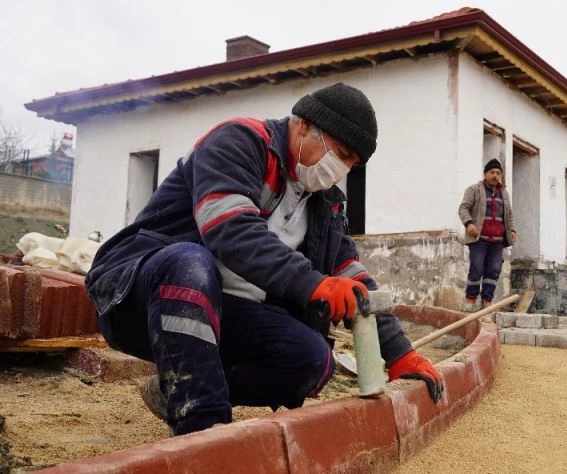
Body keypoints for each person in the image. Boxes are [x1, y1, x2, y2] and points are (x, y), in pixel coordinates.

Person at [85, 83, 443, 436]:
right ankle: (205, 428)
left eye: (352, 163)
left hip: (224, 312)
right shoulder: (239, 141)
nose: (342, 169)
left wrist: (399, 353)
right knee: (190, 263)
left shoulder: (326, 203)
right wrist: (313, 284)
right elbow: (231, 231)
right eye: (341, 153)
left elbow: (353, 278)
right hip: (139, 295)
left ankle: (175, 391)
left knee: (312, 361)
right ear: (304, 126)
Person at [457, 158, 517, 312]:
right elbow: (463, 208)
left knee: (493, 271)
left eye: (498, 173)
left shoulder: (504, 194)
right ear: (485, 174)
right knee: (476, 268)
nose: (495, 176)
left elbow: (509, 215)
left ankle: (487, 302)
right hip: (479, 239)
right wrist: (469, 223)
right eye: (492, 172)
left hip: (497, 241)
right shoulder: (474, 189)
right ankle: (470, 300)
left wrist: (512, 230)